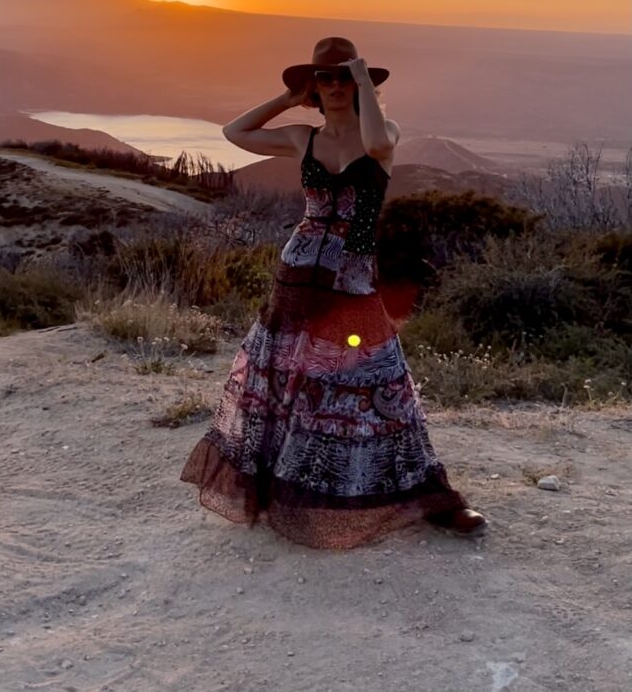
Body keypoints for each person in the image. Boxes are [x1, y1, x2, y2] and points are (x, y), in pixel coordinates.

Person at [180, 36, 487, 550]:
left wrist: (365, 79)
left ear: (359, 82)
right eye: (326, 78)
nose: (335, 86)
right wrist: (287, 97)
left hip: (353, 277)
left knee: (380, 382)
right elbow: (235, 132)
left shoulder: (381, 132)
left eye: (344, 76)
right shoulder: (303, 137)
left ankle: (431, 497)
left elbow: (378, 146)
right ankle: (285, 485)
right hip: (297, 272)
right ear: (315, 87)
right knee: (288, 379)